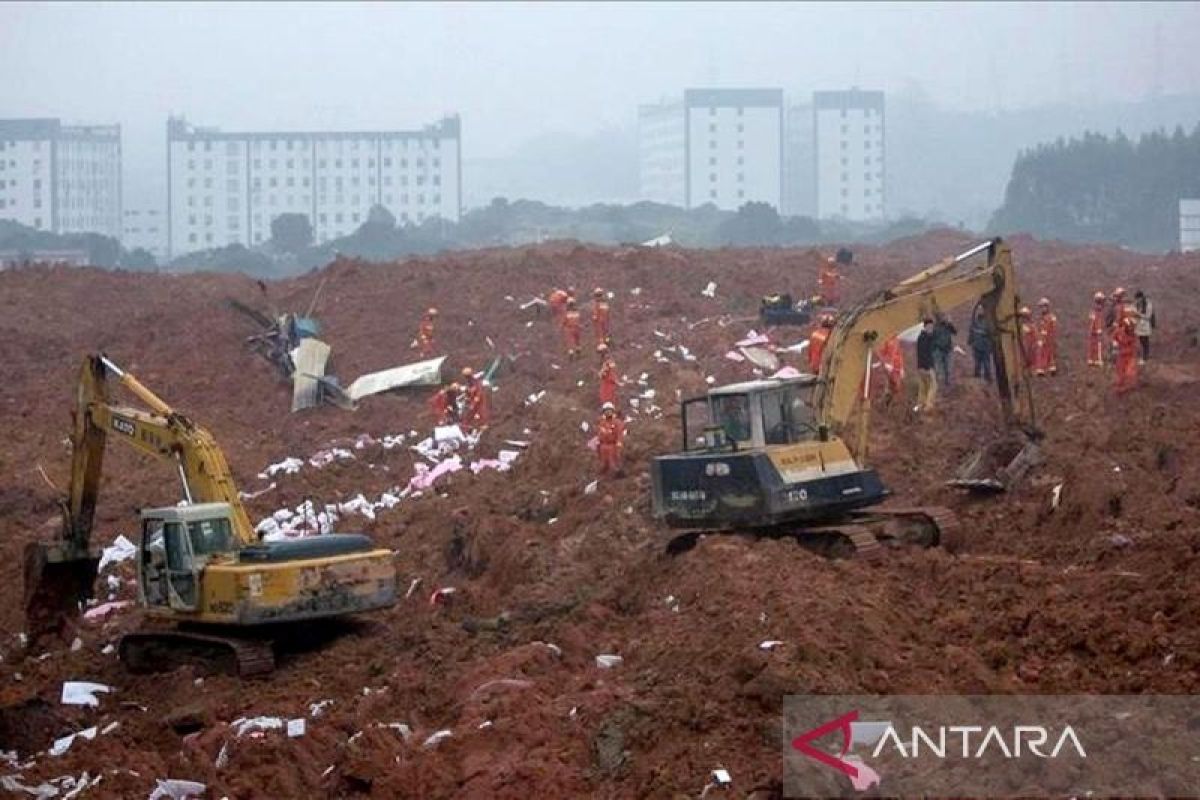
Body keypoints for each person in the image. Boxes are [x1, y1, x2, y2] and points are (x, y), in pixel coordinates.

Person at [596, 402, 626, 477]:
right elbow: (600, 433)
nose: (607, 412)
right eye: (606, 410)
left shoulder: (617, 422)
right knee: (603, 462)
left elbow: (620, 433)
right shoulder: (602, 422)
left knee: (613, 461)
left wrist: (619, 443)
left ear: (612, 411)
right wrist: (598, 442)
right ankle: (603, 475)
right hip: (603, 445)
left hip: (612, 445)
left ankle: (616, 473)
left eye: (609, 410)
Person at [915, 318, 937, 412]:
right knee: (933, 386)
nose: (931, 328)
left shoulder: (921, 337)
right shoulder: (925, 338)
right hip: (926, 366)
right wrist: (928, 366)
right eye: (930, 326)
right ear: (925, 326)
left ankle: (920, 405)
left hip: (920, 366)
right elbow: (924, 353)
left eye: (932, 326)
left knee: (923, 387)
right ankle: (928, 406)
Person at [931, 312, 957, 388]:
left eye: (943, 317)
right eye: (941, 317)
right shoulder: (934, 327)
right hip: (938, 350)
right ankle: (937, 384)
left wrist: (950, 323)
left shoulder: (948, 326)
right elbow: (931, 338)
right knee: (938, 368)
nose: (943, 319)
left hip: (947, 350)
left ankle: (947, 383)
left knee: (948, 368)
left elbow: (955, 332)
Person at [967, 306, 993, 382]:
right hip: (977, 346)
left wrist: (991, 347)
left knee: (986, 363)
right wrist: (970, 340)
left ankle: (987, 378)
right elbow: (971, 333)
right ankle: (978, 377)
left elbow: (991, 334)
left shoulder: (988, 323)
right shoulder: (974, 323)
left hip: (985, 346)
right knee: (978, 363)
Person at [877, 334, 905, 402]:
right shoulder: (884, 339)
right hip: (883, 367)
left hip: (894, 368)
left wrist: (901, 368)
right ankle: (880, 401)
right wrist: (885, 363)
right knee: (883, 384)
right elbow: (879, 352)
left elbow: (899, 355)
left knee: (896, 386)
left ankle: (891, 403)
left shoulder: (896, 340)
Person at [1114, 316, 1138, 393]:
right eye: (1129, 328)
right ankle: (1120, 385)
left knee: (1129, 372)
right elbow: (1114, 338)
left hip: (1129, 356)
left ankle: (1128, 386)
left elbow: (1134, 346)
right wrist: (1114, 344)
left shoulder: (1133, 335)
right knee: (1120, 371)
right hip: (1121, 356)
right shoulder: (1119, 332)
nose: (1131, 329)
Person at [1035, 297, 1058, 376]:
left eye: (1043, 307)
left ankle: (1047, 368)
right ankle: (1046, 368)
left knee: (1046, 352)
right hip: (1046, 338)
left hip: (1048, 338)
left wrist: (1042, 338)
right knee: (1046, 352)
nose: (1042, 309)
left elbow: (1048, 329)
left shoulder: (1049, 318)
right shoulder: (1044, 318)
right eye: (1041, 307)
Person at [1133, 290, 1155, 364]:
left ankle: (1145, 358)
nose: (1137, 300)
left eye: (1138, 299)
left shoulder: (1148, 304)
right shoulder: (1138, 304)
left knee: (1145, 342)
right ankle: (1141, 357)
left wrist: (1138, 314)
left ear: (1141, 297)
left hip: (1145, 325)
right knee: (1141, 341)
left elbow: (1148, 316)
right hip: (1139, 326)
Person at [1087, 291, 1107, 367]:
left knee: (1094, 344)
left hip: (1093, 330)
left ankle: (1092, 359)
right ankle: (1097, 359)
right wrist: (1098, 329)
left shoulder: (1094, 311)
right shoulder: (1097, 311)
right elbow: (1096, 320)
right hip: (1096, 331)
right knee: (1098, 345)